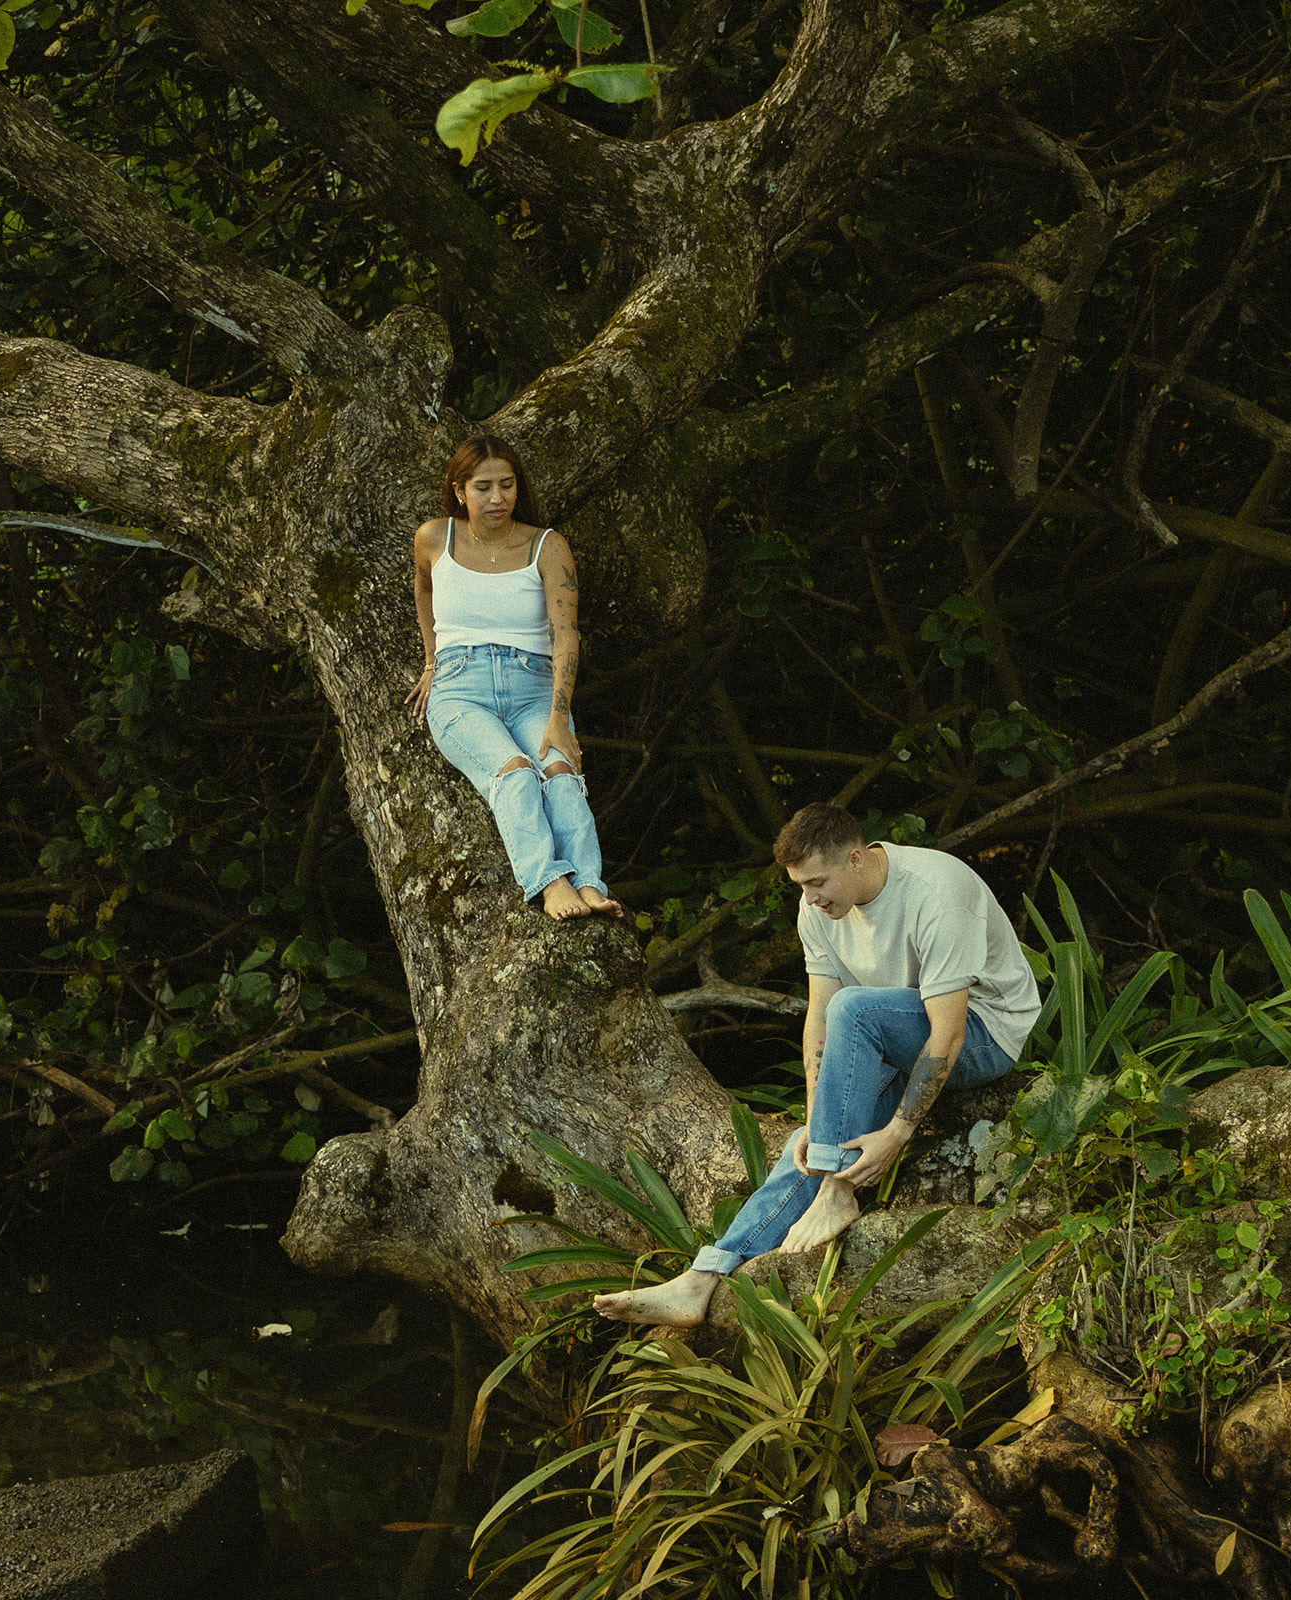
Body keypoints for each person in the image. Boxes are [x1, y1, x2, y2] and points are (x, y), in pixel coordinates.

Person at [594, 801, 1040, 1326]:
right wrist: (816, 1116)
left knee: (854, 1007)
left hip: (985, 1035)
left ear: (856, 860)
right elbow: (818, 1020)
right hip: (894, 1034)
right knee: (809, 1141)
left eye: (816, 882)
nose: (809, 898)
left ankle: (837, 1192)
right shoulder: (819, 908)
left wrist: (896, 1134)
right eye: (800, 886)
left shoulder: (937, 892)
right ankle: (703, 1277)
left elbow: (948, 1028)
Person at [405, 433, 620, 921]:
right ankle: (548, 882)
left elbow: (566, 637)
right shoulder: (435, 537)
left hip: (532, 687)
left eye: (507, 485)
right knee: (518, 774)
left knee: (561, 774)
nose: (497, 498)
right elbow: (423, 592)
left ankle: (588, 883)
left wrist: (559, 719)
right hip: (461, 689)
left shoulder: (547, 546)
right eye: (483, 487)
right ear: (460, 490)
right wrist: (431, 661)